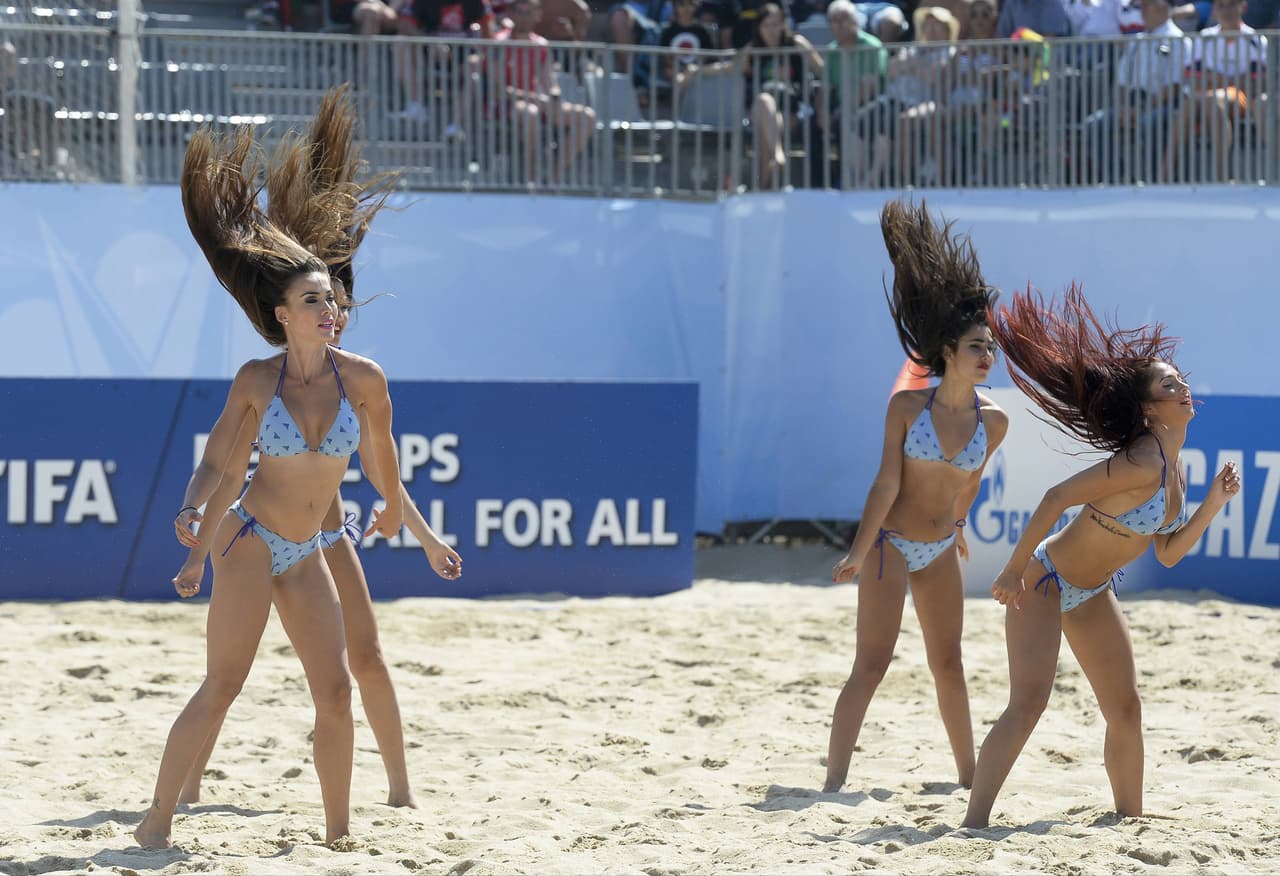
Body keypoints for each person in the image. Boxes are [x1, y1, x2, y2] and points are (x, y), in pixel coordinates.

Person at [132, 92, 424, 849]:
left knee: (335, 689)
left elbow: (383, 457)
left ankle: (338, 834)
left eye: (331, 297)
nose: (330, 309)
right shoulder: (258, 382)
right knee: (223, 685)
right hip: (252, 539)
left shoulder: (363, 378)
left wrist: (396, 510)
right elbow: (218, 461)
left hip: (312, 549)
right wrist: (195, 513)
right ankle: (156, 819)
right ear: (282, 315)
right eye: (313, 301)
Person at [961, 285, 1241, 829]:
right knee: (1029, 704)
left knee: (1127, 708)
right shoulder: (1139, 461)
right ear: (1148, 407)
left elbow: (1165, 553)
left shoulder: (1174, 470)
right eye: (1169, 384)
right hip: (1045, 579)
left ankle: (1127, 820)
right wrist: (1014, 568)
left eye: (1181, 380)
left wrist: (1211, 505)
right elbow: (1054, 498)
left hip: (1092, 592)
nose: (1183, 388)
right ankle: (972, 823)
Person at [824, 199, 1009, 794]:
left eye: (991, 348)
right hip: (891, 545)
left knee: (949, 666)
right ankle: (832, 784)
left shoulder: (995, 421)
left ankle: (967, 778)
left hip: (938, 548)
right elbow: (887, 482)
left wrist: (959, 527)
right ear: (948, 353)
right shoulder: (909, 408)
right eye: (977, 347)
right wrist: (858, 549)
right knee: (871, 666)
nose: (987, 357)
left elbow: (971, 481)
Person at [676, 3, 825, 189]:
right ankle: (777, 157)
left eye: (776, 25)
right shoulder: (754, 49)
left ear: (783, 25)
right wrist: (697, 70)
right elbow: (729, 67)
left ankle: (765, 184)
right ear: (759, 28)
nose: (771, 31)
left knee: (766, 131)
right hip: (760, 109)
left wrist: (821, 100)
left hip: (792, 111)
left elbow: (823, 72)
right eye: (766, 26)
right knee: (764, 102)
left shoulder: (797, 44)